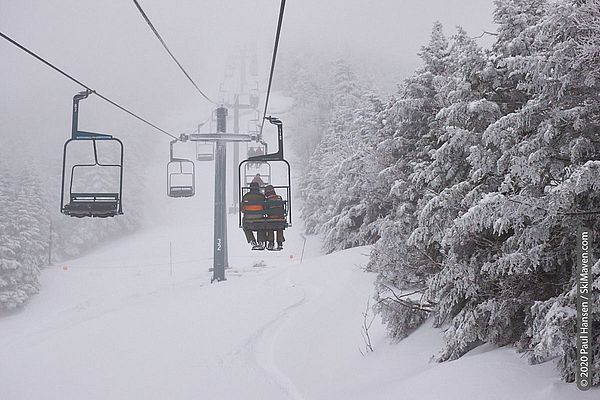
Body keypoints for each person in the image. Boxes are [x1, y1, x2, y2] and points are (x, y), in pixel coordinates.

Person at [241, 181, 267, 249]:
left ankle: (252, 240)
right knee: (261, 224)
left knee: (245, 225)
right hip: (259, 217)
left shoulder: (245, 196)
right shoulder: (261, 196)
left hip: (248, 219)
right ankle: (261, 241)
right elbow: (265, 208)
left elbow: (242, 209)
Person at [263, 185, 286, 250]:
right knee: (279, 227)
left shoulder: (267, 199)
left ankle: (271, 243)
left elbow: (265, 210)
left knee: (270, 227)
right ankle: (280, 243)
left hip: (271, 218)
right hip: (280, 218)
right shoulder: (279, 197)